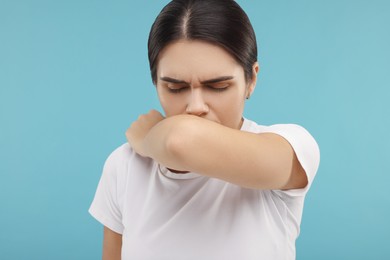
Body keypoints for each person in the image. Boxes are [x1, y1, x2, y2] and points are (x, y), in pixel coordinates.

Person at [89, 0, 320, 259]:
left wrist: (147, 140)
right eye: (175, 88)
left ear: (251, 79)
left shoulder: (292, 146)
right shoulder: (123, 166)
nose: (196, 107)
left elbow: (180, 140)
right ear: (155, 82)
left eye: (217, 86)